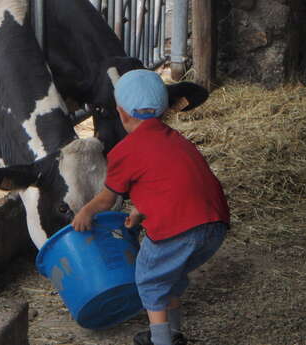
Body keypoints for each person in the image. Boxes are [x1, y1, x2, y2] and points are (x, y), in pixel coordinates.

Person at [71, 69, 230, 345]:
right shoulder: (177, 140)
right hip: (215, 225)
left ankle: (160, 340)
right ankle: (173, 334)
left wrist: (86, 211)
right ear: (166, 107)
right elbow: (169, 184)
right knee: (171, 275)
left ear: (122, 113)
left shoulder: (124, 151)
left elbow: (108, 199)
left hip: (178, 228)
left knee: (149, 280)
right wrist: (140, 210)